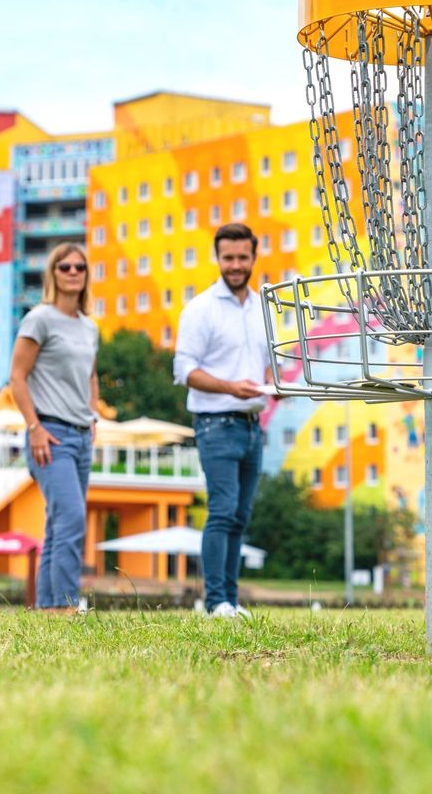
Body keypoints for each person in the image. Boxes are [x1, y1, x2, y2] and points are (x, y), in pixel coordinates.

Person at [173, 223, 272, 619]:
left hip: (252, 426)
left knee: (241, 516)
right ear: (217, 258)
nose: (235, 265)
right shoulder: (200, 309)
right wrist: (232, 388)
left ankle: (230, 599)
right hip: (216, 423)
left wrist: (274, 386)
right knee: (223, 511)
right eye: (227, 258)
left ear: (253, 256)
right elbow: (184, 370)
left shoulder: (262, 307)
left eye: (241, 257)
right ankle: (214, 602)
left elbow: (268, 364)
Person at [10, 242, 101, 614]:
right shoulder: (39, 319)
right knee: (72, 519)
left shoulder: (89, 326)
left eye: (80, 267)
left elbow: (91, 374)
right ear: (53, 273)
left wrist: (93, 415)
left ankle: (49, 608)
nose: (73, 272)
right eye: (65, 267)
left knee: (59, 523)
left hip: (81, 436)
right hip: (50, 434)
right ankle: (64, 606)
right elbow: (17, 377)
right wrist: (34, 428)